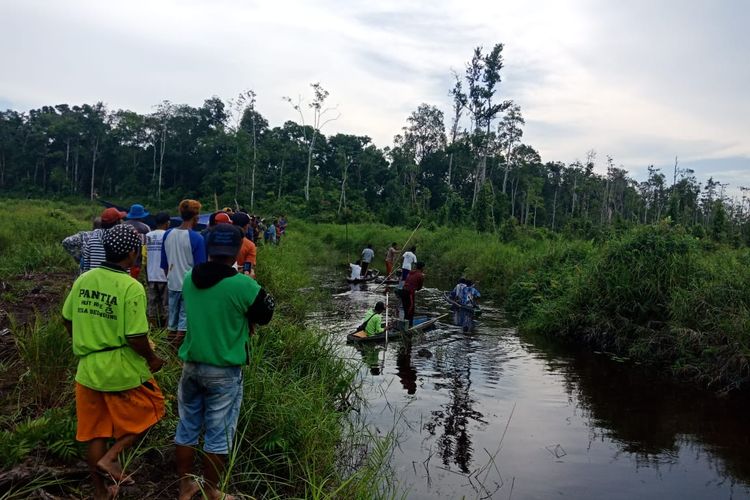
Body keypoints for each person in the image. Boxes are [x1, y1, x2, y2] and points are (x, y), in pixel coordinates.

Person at [62, 224, 165, 500]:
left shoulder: (84, 279)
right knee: (154, 409)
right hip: (120, 367)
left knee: (95, 433)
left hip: (88, 368)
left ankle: (100, 492)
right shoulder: (130, 287)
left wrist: (84, 339)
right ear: (132, 253)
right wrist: (152, 358)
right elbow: (135, 336)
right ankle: (113, 457)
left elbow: (67, 318)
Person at [175, 224, 274, 500]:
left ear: (209, 248)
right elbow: (265, 314)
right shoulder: (242, 284)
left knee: (187, 426)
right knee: (218, 433)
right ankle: (211, 490)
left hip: (191, 366)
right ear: (236, 252)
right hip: (224, 372)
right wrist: (250, 278)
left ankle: (185, 486)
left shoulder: (188, 278)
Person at [161, 200, 206, 348]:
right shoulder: (197, 238)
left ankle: (168, 351)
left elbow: (164, 264)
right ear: (196, 217)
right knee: (184, 323)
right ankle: (176, 353)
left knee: (172, 322)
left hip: (172, 283)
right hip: (190, 285)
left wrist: (171, 277)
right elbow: (200, 267)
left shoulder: (167, 234)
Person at [143, 212, 171, 328]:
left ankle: (154, 331)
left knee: (153, 306)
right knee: (167, 306)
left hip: (151, 275)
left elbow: (144, 256)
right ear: (167, 223)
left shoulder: (148, 235)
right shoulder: (168, 235)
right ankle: (166, 332)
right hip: (165, 276)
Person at [124, 204, 151, 280]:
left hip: (123, 262)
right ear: (141, 216)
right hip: (138, 263)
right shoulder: (145, 227)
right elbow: (148, 246)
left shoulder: (122, 225)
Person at [232, 212, 257, 277]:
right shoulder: (250, 245)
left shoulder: (222, 239)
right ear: (246, 226)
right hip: (239, 279)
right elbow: (248, 269)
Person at [401, 261, 425, 327]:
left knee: (406, 309)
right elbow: (419, 288)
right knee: (410, 311)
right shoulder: (420, 275)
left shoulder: (410, 272)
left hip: (403, 291)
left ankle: (404, 324)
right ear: (422, 268)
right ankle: (409, 327)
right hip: (409, 294)